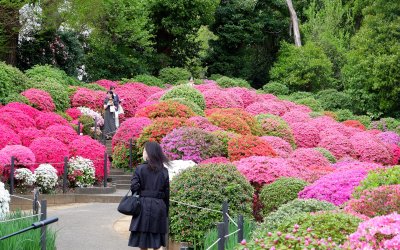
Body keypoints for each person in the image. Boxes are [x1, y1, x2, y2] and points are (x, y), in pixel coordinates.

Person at [129, 141, 170, 250]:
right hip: (159, 206)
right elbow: (167, 193)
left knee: (143, 239)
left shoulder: (140, 168)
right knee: (156, 238)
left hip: (143, 205)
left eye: (144, 150)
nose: (143, 153)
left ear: (149, 153)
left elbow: (134, 188)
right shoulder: (164, 171)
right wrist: (166, 210)